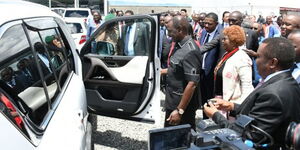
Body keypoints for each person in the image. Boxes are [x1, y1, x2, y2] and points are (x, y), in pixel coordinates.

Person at [204, 37, 300, 149]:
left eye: (258, 57)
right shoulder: (287, 81)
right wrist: (232, 106)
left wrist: (215, 115)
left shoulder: (273, 93)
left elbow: (251, 135)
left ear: (273, 62)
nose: (255, 60)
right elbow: (260, 111)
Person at [164, 16, 202, 129]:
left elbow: (192, 83)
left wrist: (179, 111)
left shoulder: (190, 50)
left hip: (182, 106)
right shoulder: (178, 45)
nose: (169, 35)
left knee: (184, 140)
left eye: (171, 31)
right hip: (173, 101)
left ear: (180, 29)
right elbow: (177, 69)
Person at [214, 25, 253, 108]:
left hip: (232, 103)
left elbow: (247, 86)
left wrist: (239, 108)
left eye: (225, 39)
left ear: (234, 41)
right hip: (220, 100)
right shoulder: (226, 54)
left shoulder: (242, 58)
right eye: (222, 39)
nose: (222, 41)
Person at [199, 12, 222, 115]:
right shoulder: (203, 32)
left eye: (210, 24)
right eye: (205, 23)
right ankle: (205, 118)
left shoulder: (220, 35)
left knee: (211, 98)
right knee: (203, 97)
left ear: (216, 24)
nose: (206, 26)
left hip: (212, 73)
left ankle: (212, 119)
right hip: (202, 71)